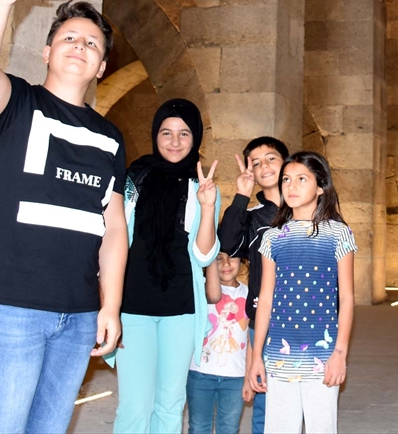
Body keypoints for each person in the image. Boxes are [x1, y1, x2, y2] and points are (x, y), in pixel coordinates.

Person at [0, 0, 128, 434]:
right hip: (9, 307)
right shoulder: (18, 105)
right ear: (48, 52)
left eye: (92, 44)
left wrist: (110, 307)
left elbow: (113, 228)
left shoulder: (110, 137)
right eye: (69, 37)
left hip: (77, 316)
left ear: (100, 67)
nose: (80, 45)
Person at [110, 99, 220, 434]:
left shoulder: (202, 187)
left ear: (195, 137)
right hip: (133, 308)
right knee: (134, 406)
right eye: (166, 132)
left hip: (182, 310)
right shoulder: (132, 180)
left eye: (184, 133)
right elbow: (113, 238)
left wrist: (208, 205)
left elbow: (203, 256)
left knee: (170, 405)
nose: (174, 141)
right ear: (155, 135)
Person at [246, 152, 356, 434]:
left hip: (322, 355)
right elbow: (266, 298)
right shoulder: (272, 236)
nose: (291, 187)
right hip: (279, 355)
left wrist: (340, 353)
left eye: (301, 179)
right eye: (286, 180)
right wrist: (256, 356)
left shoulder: (338, 234)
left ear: (321, 187)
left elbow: (346, 298)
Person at [218, 136, 289, 433]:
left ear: (287, 161)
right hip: (263, 317)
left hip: (302, 317)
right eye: (256, 163)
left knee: (299, 396)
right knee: (265, 398)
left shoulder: (309, 206)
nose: (264, 166)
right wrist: (241, 196)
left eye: (271, 158)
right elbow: (228, 245)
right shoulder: (249, 213)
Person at [186, 252, 249, 433]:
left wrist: (248, 376)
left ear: (242, 260)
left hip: (235, 377)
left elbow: (251, 339)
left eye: (232, 257)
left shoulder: (249, 294)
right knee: (198, 427)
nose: (226, 263)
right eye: (218, 258)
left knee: (229, 428)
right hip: (199, 374)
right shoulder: (200, 291)